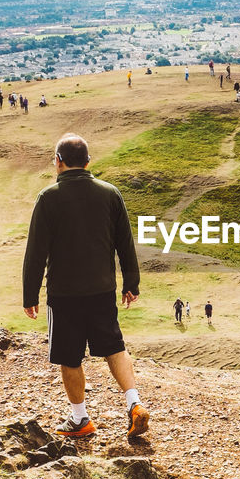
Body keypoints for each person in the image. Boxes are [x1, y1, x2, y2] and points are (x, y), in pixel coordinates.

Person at [23, 133, 149, 439]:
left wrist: (30, 295)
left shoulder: (48, 198)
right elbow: (125, 243)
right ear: (88, 162)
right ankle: (134, 403)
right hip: (102, 290)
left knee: (69, 357)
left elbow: (36, 252)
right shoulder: (110, 194)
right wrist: (131, 283)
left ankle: (80, 420)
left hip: (64, 295)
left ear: (58, 162)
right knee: (114, 347)